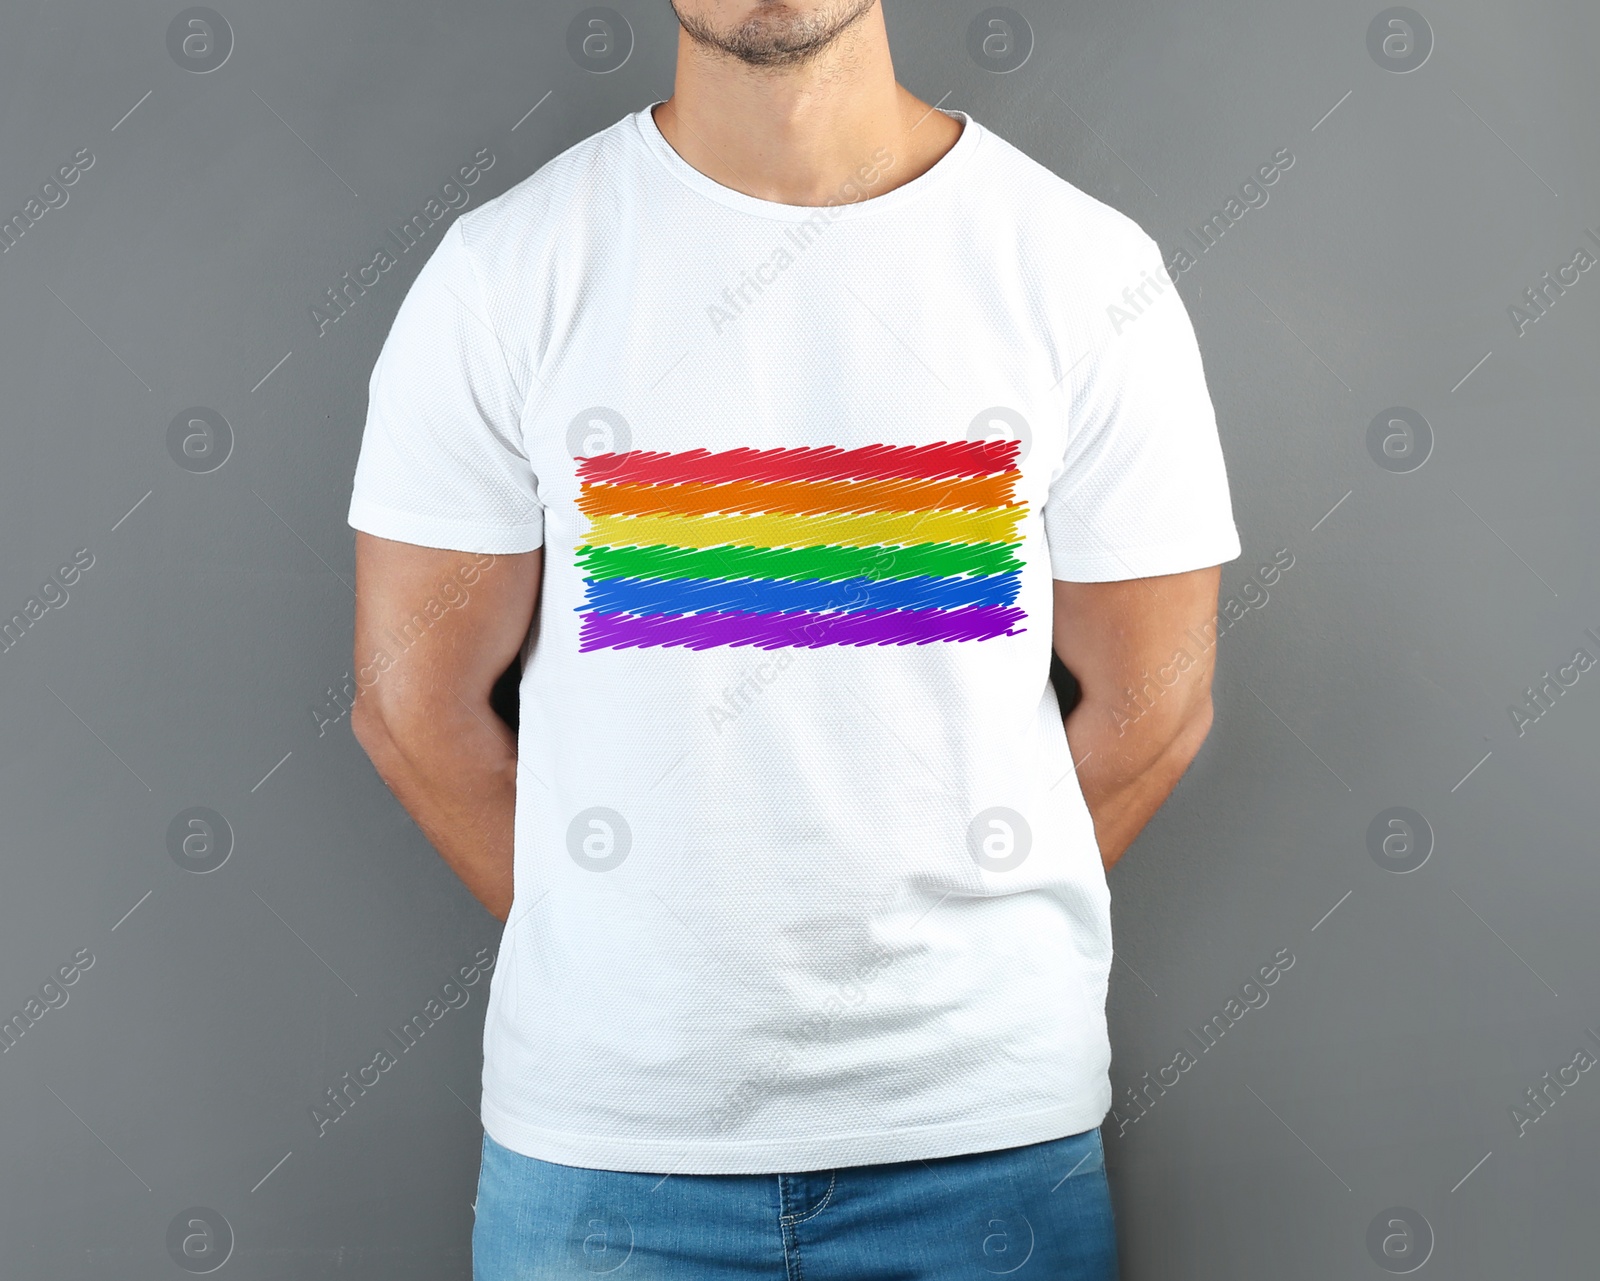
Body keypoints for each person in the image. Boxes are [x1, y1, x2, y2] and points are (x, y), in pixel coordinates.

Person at [346, 2, 1241, 1276]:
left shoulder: (1083, 269)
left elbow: (1155, 706)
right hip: (607, 1164)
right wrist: (637, 949)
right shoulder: (506, 274)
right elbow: (413, 710)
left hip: (983, 1150)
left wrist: (943, 930)